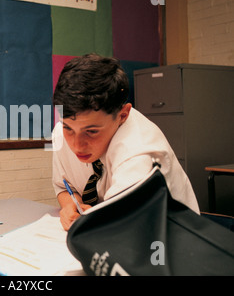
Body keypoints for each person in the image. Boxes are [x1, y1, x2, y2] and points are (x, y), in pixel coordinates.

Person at [52, 54, 199, 231]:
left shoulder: (139, 152)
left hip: (165, 239)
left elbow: (121, 226)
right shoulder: (60, 133)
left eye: (91, 132)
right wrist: (70, 204)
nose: (77, 145)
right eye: (68, 128)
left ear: (123, 115)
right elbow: (63, 186)